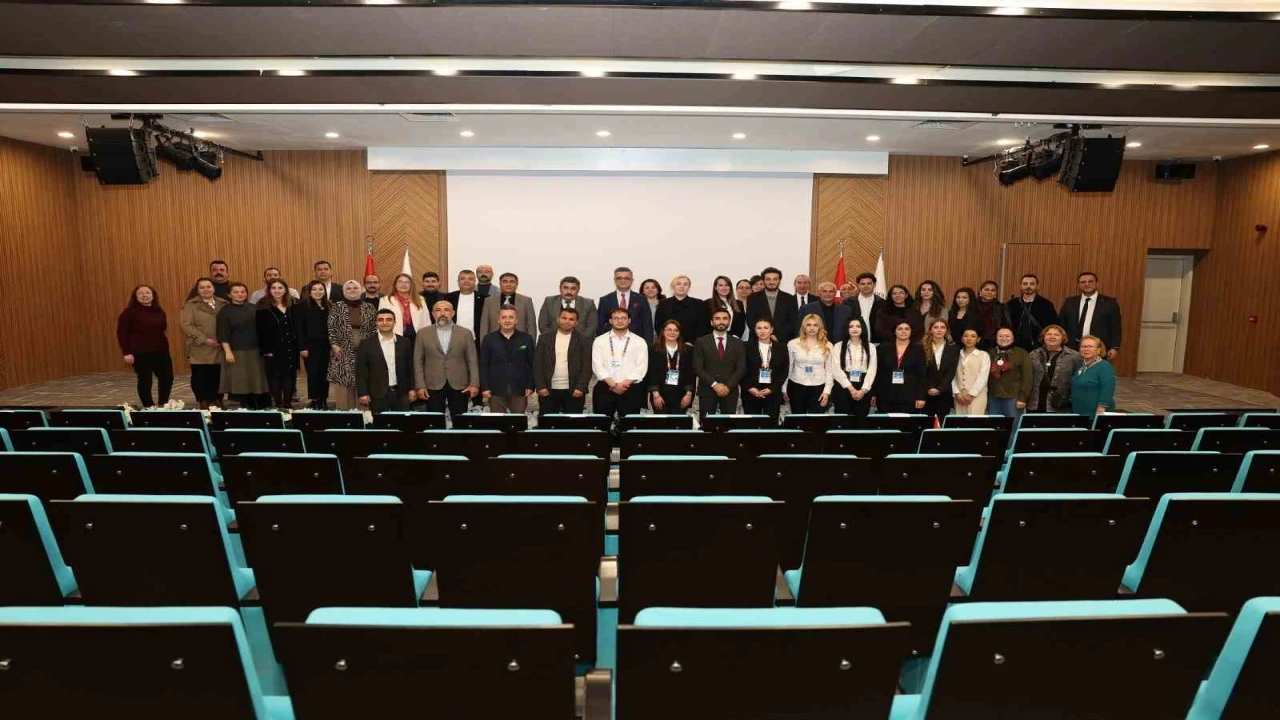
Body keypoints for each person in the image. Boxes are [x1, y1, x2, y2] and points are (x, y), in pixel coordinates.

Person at [415, 300, 480, 420]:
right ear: (433, 314)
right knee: (434, 422)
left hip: (459, 384)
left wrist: (474, 384)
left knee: (460, 421)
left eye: (446, 310)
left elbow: (472, 359)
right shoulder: (422, 333)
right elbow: (418, 361)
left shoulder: (465, 333)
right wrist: (420, 385)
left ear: (453, 313)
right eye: (438, 310)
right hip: (432, 384)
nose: (442, 313)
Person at [117, 284, 174, 408]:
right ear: (135, 296)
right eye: (140, 293)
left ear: (153, 296)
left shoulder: (159, 311)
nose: (144, 295)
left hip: (161, 351)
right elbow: (122, 333)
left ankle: (163, 404)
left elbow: (162, 329)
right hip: (140, 352)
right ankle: (149, 406)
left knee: (167, 377)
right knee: (145, 380)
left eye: (147, 293)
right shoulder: (129, 312)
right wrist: (126, 352)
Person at [217, 282, 269, 409]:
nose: (240, 294)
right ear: (229, 295)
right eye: (236, 292)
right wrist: (228, 351)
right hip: (237, 351)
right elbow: (222, 333)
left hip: (255, 350)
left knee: (256, 379)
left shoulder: (254, 308)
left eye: (242, 292)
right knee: (241, 380)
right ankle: (245, 405)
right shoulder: (224, 311)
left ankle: (257, 405)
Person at [591, 307, 649, 421]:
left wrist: (624, 384)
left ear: (629, 320)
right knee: (602, 425)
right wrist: (613, 385)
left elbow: (641, 367)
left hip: (630, 389)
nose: (620, 321)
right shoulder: (599, 340)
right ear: (610, 321)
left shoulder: (639, 341)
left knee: (629, 426)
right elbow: (597, 366)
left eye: (623, 318)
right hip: (605, 388)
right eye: (616, 318)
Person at [534, 306, 592, 417]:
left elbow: (587, 366)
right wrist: (540, 386)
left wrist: (581, 387)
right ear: (558, 319)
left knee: (573, 424)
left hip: (574, 390)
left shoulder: (584, 340)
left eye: (571, 319)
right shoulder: (544, 338)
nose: (567, 321)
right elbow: (537, 364)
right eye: (564, 318)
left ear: (576, 322)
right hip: (548, 390)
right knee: (547, 423)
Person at [356, 309, 417, 413]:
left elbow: (410, 367)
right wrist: (362, 393)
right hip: (377, 393)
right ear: (376, 323)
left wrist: (412, 388)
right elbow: (360, 370)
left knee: (402, 422)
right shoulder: (366, 344)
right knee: (379, 423)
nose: (385, 322)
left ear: (394, 322)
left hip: (401, 392)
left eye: (389, 319)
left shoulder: (404, 342)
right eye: (381, 320)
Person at [327, 280, 375, 411]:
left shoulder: (369, 307)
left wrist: (372, 347)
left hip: (365, 347)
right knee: (343, 380)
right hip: (341, 348)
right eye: (349, 288)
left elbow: (373, 328)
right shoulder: (336, 306)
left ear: (360, 290)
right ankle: (344, 412)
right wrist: (334, 345)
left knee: (363, 377)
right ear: (344, 291)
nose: (352, 290)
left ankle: (363, 413)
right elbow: (331, 327)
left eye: (355, 288)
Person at [179, 277, 226, 409]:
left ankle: (217, 399)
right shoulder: (191, 305)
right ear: (197, 290)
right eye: (202, 287)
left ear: (213, 288)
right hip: (200, 346)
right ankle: (203, 400)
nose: (206, 289)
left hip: (220, 346)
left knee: (218, 374)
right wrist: (204, 339)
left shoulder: (223, 303)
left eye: (208, 286)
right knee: (201, 375)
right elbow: (186, 325)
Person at [480, 307, 535, 413]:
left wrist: (530, 385)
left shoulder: (526, 338)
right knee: (498, 421)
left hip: (520, 388)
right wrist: (485, 387)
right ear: (498, 320)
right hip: (495, 389)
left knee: (518, 420)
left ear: (516, 320)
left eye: (511, 317)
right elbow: (484, 365)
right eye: (504, 317)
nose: (507, 320)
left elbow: (532, 364)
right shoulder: (489, 339)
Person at [693, 309, 746, 419]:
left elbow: (741, 368)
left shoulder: (738, 343)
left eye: (725, 318)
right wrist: (715, 385)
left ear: (729, 321)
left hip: (730, 391)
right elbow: (698, 368)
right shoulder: (701, 342)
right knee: (707, 425)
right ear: (711, 322)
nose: (721, 321)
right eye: (717, 319)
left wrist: (728, 386)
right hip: (707, 390)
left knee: (729, 425)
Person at [256, 279, 300, 409]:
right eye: (273, 288)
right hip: (272, 348)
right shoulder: (263, 305)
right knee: (275, 377)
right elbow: (259, 330)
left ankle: (288, 404)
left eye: (280, 288)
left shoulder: (293, 304)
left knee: (290, 376)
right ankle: (278, 404)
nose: (277, 290)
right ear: (269, 290)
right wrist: (265, 350)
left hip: (291, 347)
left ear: (285, 289)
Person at [1059, 272, 1122, 360]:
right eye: (1083, 282)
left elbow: (1116, 327)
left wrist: (1114, 347)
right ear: (1078, 285)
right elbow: (1061, 325)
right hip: (1071, 348)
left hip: (1098, 348)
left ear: (1097, 283)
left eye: (1090, 281)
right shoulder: (1069, 302)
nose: (1087, 284)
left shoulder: (1110, 303)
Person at [741, 319, 789, 423]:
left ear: (771, 330)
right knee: (751, 425)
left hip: (773, 393)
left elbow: (784, 371)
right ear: (754, 330)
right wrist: (749, 388)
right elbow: (741, 369)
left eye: (766, 328)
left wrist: (772, 389)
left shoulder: (782, 347)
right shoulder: (746, 347)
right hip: (751, 393)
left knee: (771, 425)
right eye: (759, 328)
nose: (762, 331)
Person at [785, 314, 834, 414]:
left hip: (819, 386)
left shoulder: (828, 345)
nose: (812, 328)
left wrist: (827, 391)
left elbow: (830, 370)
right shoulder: (793, 344)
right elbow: (788, 367)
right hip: (797, 385)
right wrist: (784, 387)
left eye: (815, 325)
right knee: (798, 419)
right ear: (804, 327)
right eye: (808, 325)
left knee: (816, 420)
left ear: (820, 327)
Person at [875, 320, 927, 413]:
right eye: (900, 329)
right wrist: (874, 393)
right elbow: (877, 372)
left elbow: (922, 374)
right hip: (885, 393)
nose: (903, 331)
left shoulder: (918, 349)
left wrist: (921, 397)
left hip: (909, 395)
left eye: (907, 329)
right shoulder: (883, 348)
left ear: (911, 331)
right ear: (894, 331)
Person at [830, 316, 877, 418]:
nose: (855, 329)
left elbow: (872, 370)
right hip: (844, 385)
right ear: (847, 329)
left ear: (862, 329)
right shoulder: (838, 346)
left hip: (863, 385)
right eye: (851, 326)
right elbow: (836, 369)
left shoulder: (871, 347)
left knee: (861, 420)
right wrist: (851, 388)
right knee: (842, 420)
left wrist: (863, 390)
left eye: (858, 326)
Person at [295, 281, 332, 409]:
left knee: (325, 374)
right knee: (313, 374)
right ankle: (315, 400)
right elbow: (299, 329)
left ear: (324, 291)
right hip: (310, 347)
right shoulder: (302, 307)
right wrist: (302, 347)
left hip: (327, 346)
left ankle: (324, 399)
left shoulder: (329, 305)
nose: (318, 292)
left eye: (320, 289)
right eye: (314, 289)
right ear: (309, 292)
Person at [1028, 324, 1081, 413]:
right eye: (1049, 334)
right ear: (1043, 337)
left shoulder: (1074, 357)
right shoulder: (1033, 355)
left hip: (1061, 405)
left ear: (1063, 338)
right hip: (1035, 404)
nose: (1052, 337)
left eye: (1056, 335)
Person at [647, 320, 695, 416]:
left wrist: (688, 394)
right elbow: (651, 372)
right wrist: (656, 395)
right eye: (669, 330)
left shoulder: (687, 350)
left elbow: (690, 373)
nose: (672, 333)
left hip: (682, 396)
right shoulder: (653, 349)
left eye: (676, 330)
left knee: (679, 424)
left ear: (679, 333)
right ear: (663, 331)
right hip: (660, 396)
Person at [597, 266, 654, 341]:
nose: (623, 281)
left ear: (632, 280)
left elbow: (647, 324)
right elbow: (600, 325)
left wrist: (648, 343)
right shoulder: (605, 300)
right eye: (619, 278)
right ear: (614, 280)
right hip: (611, 341)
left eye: (627, 278)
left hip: (636, 341)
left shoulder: (641, 299)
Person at [987, 327, 1033, 419]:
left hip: (1014, 397)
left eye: (1007, 336)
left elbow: (1027, 377)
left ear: (1013, 338)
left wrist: (1023, 398)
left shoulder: (1021, 353)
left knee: (1013, 424)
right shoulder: (989, 353)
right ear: (996, 338)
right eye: (1000, 336)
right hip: (993, 397)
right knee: (995, 424)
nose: (1004, 338)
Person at [920, 318, 960, 423]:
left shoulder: (954, 348)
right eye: (936, 327)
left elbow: (951, 372)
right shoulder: (922, 347)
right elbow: (921, 371)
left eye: (942, 327)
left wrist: (940, 389)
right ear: (930, 330)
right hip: (926, 392)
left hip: (944, 392)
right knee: (925, 423)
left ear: (946, 330)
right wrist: (929, 387)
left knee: (943, 424)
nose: (939, 330)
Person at [480, 272, 538, 342]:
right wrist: (483, 343)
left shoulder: (526, 301)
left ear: (516, 284)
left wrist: (531, 344)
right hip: (494, 342)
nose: (508, 284)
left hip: (520, 342)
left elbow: (531, 325)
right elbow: (484, 325)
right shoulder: (489, 301)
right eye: (505, 281)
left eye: (512, 282)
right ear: (500, 284)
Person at [745, 266, 798, 342]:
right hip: (757, 341)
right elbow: (751, 320)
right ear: (764, 280)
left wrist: (778, 336)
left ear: (779, 281)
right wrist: (765, 335)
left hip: (782, 341)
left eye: (775, 279)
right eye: (768, 279)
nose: (771, 282)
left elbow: (792, 321)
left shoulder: (790, 299)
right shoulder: (752, 298)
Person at [1008, 274, 1060, 352]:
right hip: (1015, 345)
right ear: (1020, 286)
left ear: (1037, 286)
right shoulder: (1012, 304)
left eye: (1032, 284)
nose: (1028, 286)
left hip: (1038, 346)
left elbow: (1052, 326)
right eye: (1025, 284)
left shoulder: (1046, 305)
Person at [538, 276, 598, 341]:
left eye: (573, 288)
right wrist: (553, 340)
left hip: (581, 343)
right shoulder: (549, 301)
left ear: (578, 290)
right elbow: (543, 325)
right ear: (560, 288)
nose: (569, 291)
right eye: (565, 288)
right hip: (553, 342)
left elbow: (592, 327)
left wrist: (579, 342)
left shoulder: (589, 303)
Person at [1071, 335, 1117, 417]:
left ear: (1099, 350)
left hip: (1096, 413)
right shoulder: (1079, 365)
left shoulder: (1104, 366)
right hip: (1079, 411)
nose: (1086, 349)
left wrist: (1101, 407)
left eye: (1090, 346)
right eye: (1083, 346)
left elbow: (1107, 389)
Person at [654, 274, 707, 341]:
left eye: (685, 284)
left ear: (689, 287)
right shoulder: (663, 304)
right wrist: (669, 341)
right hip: (668, 343)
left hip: (692, 344)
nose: (682, 286)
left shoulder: (699, 304)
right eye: (678, 284)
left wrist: (691, 343)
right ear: (673, 287)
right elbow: (659, 326)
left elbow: (702, 327)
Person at [379, 273, 430, 342]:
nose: (403, 284)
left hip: (417, 337)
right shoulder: (385, 300)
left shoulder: (420, 299)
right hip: (395, 337)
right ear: (395, 284)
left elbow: (426, 321)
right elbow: (381, 321)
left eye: (407, 282)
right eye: (400, 282)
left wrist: (427, 337)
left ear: (411, 285)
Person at [952, 328, 990, 415]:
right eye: (966, 336)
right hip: (959, 395)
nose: (969, 339)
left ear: (978, 339)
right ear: (962, 338)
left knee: (974, 421)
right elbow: (951, 375)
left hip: (978, 394)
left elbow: (983, 377)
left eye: (973, 336)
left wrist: (972, 394)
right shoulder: (955, 354)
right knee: (959, 420)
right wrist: (956, 392)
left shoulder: (983, 355)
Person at [842, 272, 887, 342]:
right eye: (862, 284)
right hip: (853, 342)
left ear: (874, 285)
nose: (866, 286)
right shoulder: (848, 302)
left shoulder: (883, 303)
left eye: (869, 283)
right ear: (858, 285)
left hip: (876, 343)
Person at [445, 269, 485, 339]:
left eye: (470, 279)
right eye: (462, 279)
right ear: (458, 281)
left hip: (476, 339)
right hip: (453, 339)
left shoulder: (485, 299)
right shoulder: (448, 298)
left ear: (475, 281)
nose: (466, 281)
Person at [975, 281, 1012, 350]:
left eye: (993, 290)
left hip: (995, 343)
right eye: (986, 289)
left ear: (995, 294)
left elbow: (1007, 325)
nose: (989, 292)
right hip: (976, 341)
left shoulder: (1002, 307)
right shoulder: (973, 307)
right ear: (980, 292)